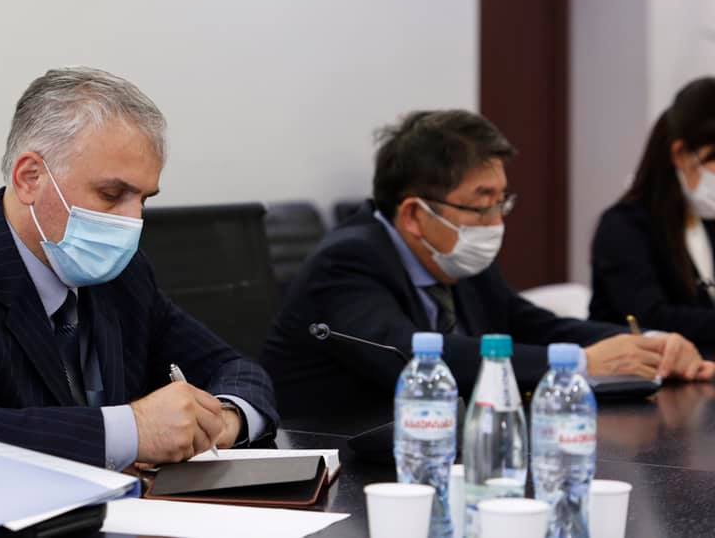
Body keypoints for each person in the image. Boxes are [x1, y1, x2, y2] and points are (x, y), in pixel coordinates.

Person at [0, 67, 278, 469]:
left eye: (143, 199)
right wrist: (131, 431)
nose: (132, 222)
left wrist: (225, 419)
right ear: (29, 178)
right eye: (111, 194)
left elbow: (232, 366)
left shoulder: (122, 274)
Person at [262, 110, 714, 426]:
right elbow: (412, 358)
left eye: (503, 202)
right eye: (482, 205)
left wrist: (645, 344)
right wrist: (581, 362)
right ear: (415, 215)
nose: (496, 223)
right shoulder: (347, 262)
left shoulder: (452, 257)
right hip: (335, 464)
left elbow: (528, 324)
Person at [590, 77, 715, 344]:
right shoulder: (623, 227)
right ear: (680, 155)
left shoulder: (707, 220)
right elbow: (651, 318)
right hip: (641, 368)